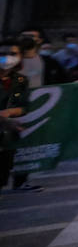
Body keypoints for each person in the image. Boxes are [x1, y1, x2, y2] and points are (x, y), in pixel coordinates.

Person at [1, 37, 41, 193]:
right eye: (2, 53)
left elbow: (24, 106)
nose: (6, 57)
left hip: (7, 132)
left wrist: (10, 112)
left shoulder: (20, 80)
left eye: (12, 53)